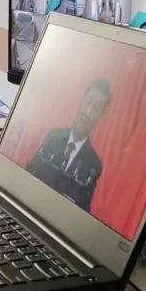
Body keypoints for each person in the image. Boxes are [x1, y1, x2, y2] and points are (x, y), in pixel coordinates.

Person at [26, 79, 112, 214]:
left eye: (95, 108)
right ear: (81, 101)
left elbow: (82, 209)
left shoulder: (94, 164)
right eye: (88, 102)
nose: (87, 112)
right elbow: (29, 173)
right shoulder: (53, 137)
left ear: (100, 116)